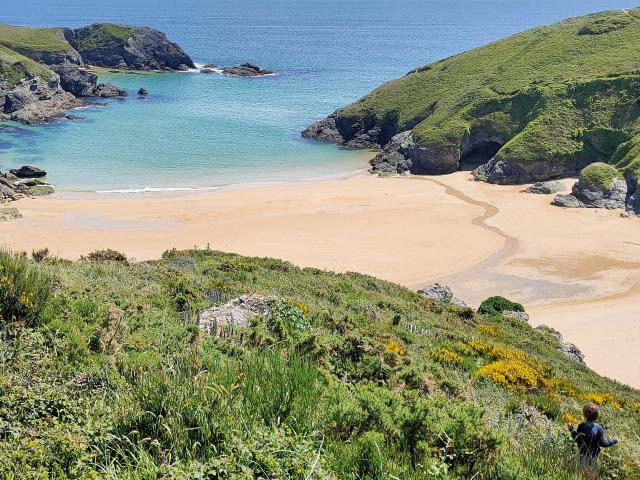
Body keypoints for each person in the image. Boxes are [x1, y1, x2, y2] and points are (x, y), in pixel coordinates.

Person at [567, 403, 618, 474]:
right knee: (590, 474)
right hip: (593, 457)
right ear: (597, 416)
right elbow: (603, 443)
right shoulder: (599, 428)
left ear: (584, 415)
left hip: (582, 455)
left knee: (580, 473)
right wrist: (613, 441)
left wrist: (572, 429)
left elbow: (577, 438)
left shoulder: (581, 426)